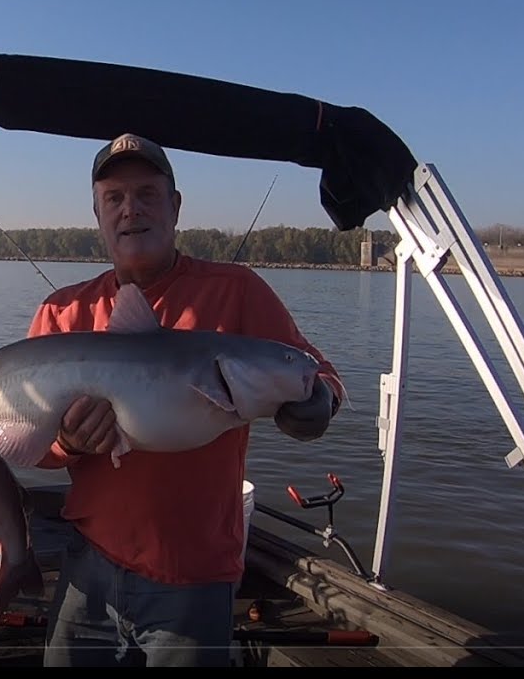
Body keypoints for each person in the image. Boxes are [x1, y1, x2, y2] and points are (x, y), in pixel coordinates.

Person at [29, 133, 345, 667]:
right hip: (89, 563)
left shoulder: (237, 292)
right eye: (115, 198)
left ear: (175, 206)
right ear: (98, 214)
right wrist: (65, 442)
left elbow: (317, 371)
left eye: (148, 194)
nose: (132, 210)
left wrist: (322, 402)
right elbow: (32, 448)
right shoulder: (63, 313)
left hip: (194, 573)